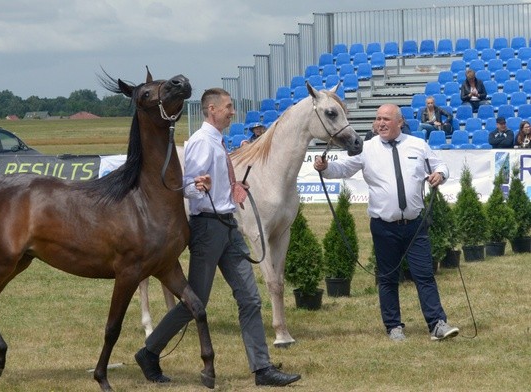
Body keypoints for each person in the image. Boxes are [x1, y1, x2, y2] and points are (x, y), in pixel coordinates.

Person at [135, 88, 301, 387]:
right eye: (228, 107)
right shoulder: (201, 142)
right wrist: (198, 186)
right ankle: (149, 352)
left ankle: (261, 369)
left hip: (228, 226)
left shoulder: (217, 141)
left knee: (250, 298)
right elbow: (185, 187)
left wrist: (232, 189)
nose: (232, 112)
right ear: (211, 109)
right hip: (208, 228)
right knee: (195, 301)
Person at [314, 103, 459, 342]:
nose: (380, 123)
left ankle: (437, 324)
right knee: (388, 278)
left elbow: (440, 164)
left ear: (399, 122)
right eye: (378, 119)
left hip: (415, 226)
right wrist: (325, 167)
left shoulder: (417, 145)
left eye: (386, 119)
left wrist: (440, 175)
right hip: (384, 226)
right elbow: (342, 169)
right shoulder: (366, 148)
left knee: (424, 275)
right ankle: (393, 327)